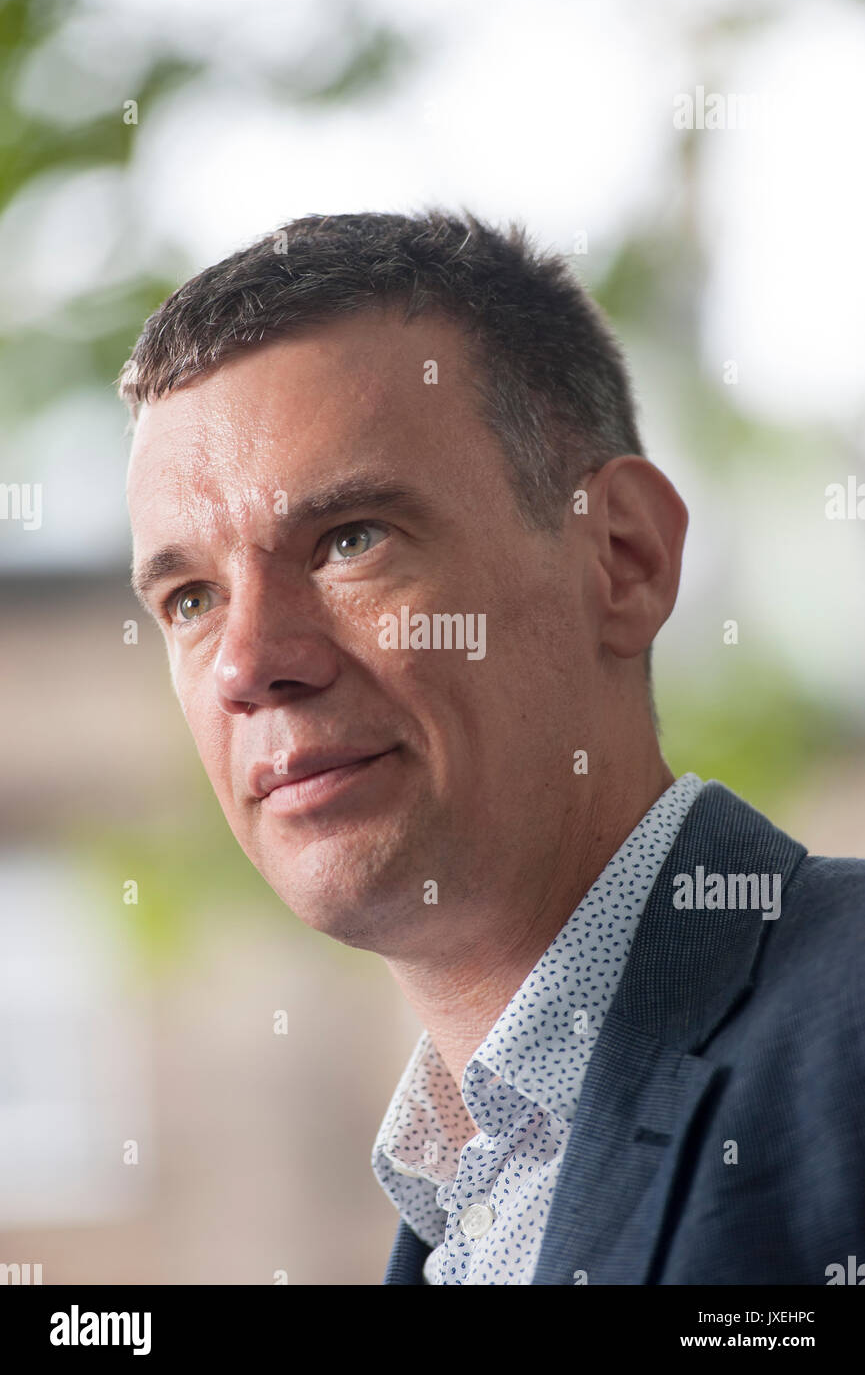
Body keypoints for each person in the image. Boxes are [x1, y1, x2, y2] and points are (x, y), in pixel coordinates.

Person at [122, 209, 865, 1286]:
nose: (246, 665)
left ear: (624, 559)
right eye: (190, 597)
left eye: (350, 539)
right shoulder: (451, 1210)